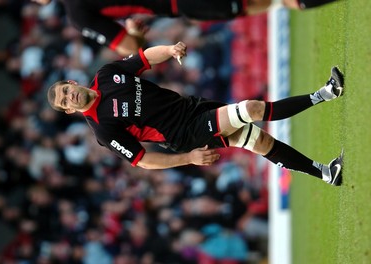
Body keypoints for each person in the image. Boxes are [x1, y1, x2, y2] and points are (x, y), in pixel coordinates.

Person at [47, 41, 344, 186]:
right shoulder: (102, 130)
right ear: (69, 110)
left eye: (65, 90)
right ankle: (327, 92)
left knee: (261, 143)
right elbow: (143, 160)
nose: (69, 97)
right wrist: (187, 158)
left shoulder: (107, 74)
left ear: (72, 83)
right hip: (184, 134)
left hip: (191, 107)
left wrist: (171, 49)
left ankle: (326, 173)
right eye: (65, 102)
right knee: (251, 108)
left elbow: (144, 57)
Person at [31, 0, 340, 56]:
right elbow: (130, 45)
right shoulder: (77, 11)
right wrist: (134, 32)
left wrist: (134, 31)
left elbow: (128, 46)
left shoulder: (77, 13)